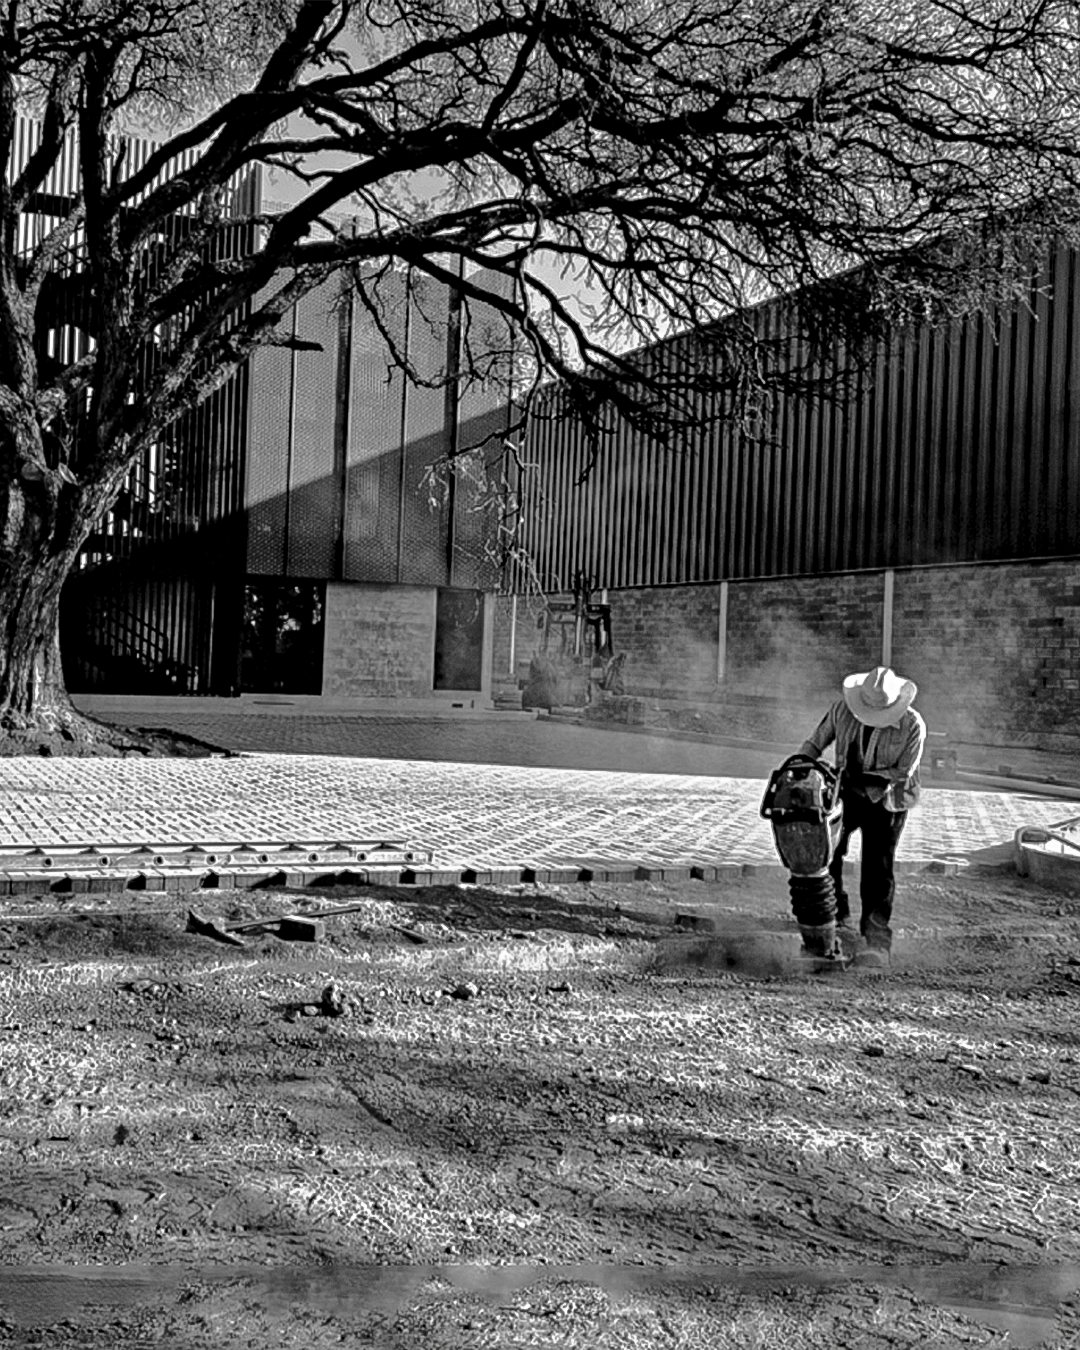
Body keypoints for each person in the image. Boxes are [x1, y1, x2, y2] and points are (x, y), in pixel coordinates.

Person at [799, 666, 926, 968]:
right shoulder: (842, 711)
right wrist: (799, 766)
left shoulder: (912, 725)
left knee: (877, 867)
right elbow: (816, 742)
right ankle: (835, 915)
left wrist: (860, 783)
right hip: (847, 790)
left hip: (889, 799)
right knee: (828, 850)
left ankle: (877, 940)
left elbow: (902, 772)